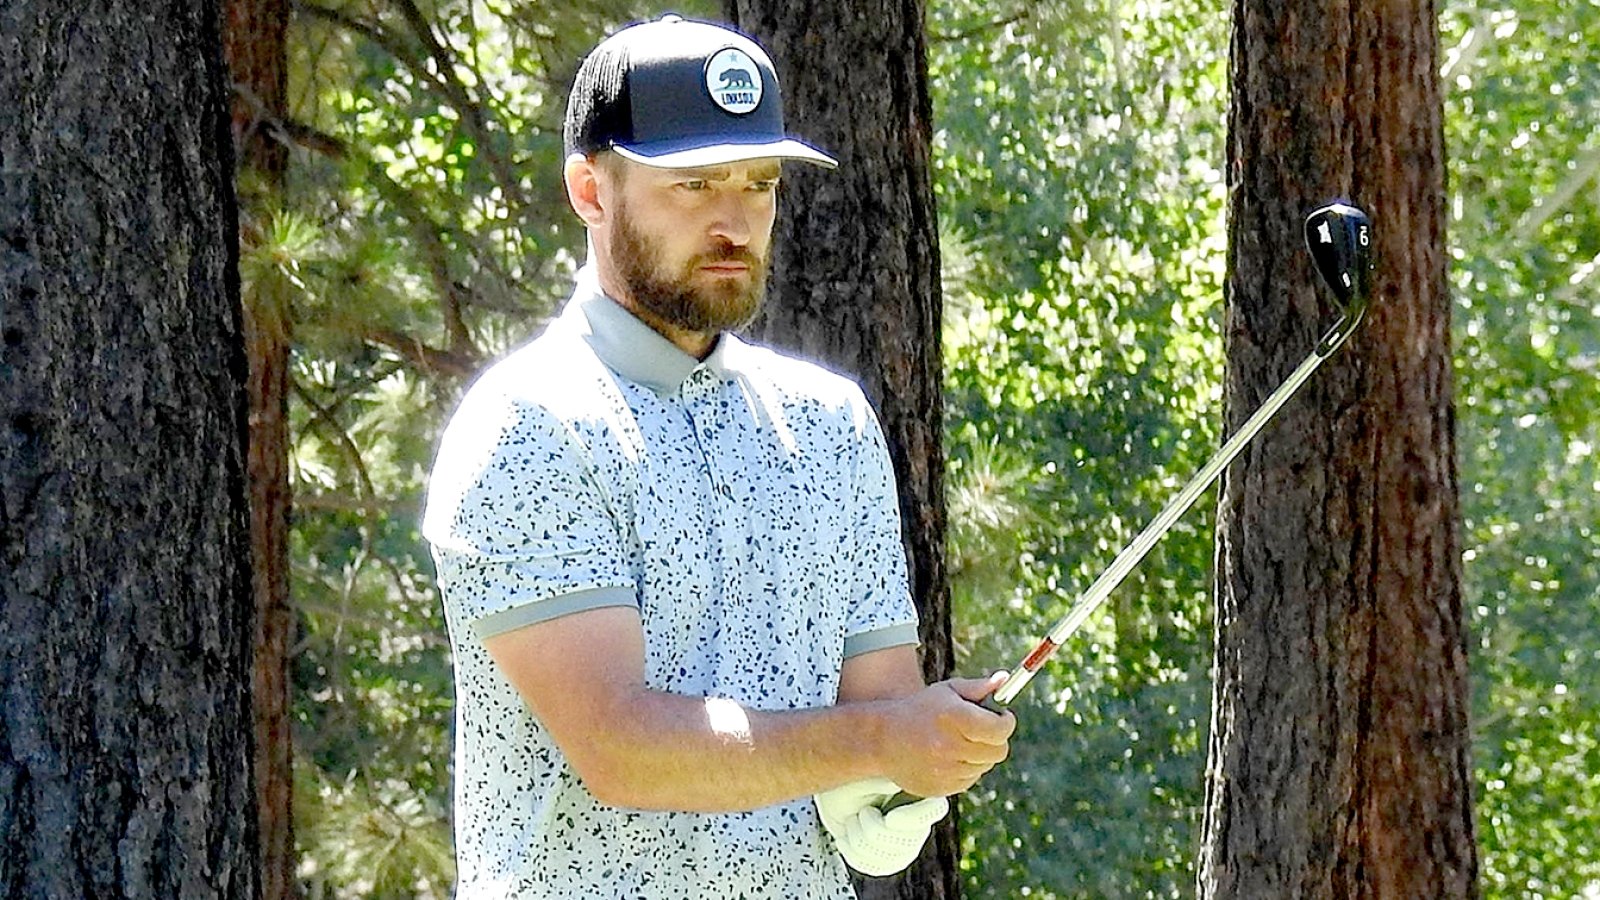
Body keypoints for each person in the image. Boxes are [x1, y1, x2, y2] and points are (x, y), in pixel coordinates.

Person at [421, 15, 1014, 899]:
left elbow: (876, 733)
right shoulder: (528, 425)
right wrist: (882, 741)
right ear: (590, 189)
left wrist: (918, 760)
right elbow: (621, 749)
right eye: (694, 185)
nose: (735, 222)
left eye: (759, 183)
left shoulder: (832, 426)